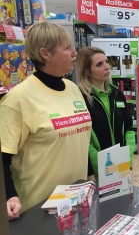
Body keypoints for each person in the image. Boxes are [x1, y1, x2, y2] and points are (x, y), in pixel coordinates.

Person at [0, 22, 93, 219]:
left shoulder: (73, 89)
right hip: (37, 209)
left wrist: (90, 179)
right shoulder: (18, 99)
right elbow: (2, 157)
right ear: (45, 54)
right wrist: (9, 196)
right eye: (67, 48)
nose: (75, 53)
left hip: (75, 200)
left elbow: (80, 141)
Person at [76, 46, 136, 180]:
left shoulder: (117, 94)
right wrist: (103, 169)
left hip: (121, 168)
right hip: (96, 174)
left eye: (106, 61)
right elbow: (84, 140)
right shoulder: (80, 99)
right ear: (86, 72)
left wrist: (127, 160)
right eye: (99, 64)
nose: (107, 67)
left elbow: (128, 129)